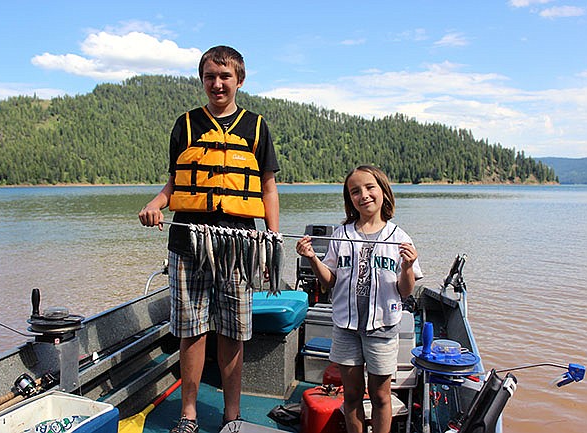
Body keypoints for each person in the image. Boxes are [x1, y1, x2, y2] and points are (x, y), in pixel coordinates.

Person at [138, 45, 280, 433]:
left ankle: (232, 416)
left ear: (239, 80)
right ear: (202, 80)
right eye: (209, 77)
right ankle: (189, 415)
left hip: (238, 246)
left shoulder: (256, 126)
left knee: (233, 333)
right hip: (186, 243)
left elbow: (267, 187)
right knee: (191, 330)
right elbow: (174, 183)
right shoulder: (185, 125)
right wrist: (156, 204)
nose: (217, 84)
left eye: (224, 77)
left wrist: (271, 236)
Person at [296, 165, 422, 433]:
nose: (363, 195)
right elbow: (329, 282)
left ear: (383, 192)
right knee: (351, 396)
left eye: (369, 188)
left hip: (383, 329)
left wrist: (408, 267)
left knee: (380, 396)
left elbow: (405, 290)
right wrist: (311, 258)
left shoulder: (399, 237)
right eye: (355, 191)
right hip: (346, 328)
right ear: (349, 199)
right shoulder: (341, 235)